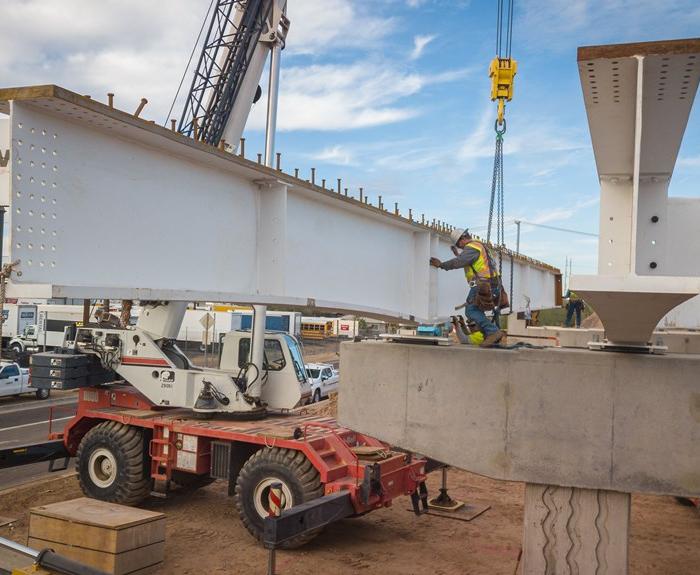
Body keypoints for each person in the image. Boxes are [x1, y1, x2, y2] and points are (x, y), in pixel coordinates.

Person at [430, 228, 505, 347]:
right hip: (492, 283)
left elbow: (460, 262)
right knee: (478, 310)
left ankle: (493, 332)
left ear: (462, 239)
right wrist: (458, 254)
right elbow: (471, 261)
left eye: (458, 245)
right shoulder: (479, 246)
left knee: (471, 310)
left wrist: (442, 265)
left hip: (483, 284)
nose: (460, 248)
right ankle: (490, 334)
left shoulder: (472, 247)